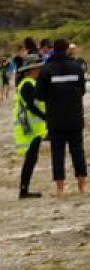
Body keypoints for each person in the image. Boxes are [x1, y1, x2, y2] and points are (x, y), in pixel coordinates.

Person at [34, 38, 86, 196]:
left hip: (55, 117)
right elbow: (82, 90)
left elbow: (39, 95)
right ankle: (82, 186)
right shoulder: (77, 67)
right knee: (77, 150)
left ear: (53, 49)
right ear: (67, 49)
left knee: (57, 152)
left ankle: (60, 188)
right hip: (75, 116)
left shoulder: (46, 69)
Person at [12, 61, 47, 199]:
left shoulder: (28, 83)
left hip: (32, 128)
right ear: (30, 70)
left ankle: (24, 189)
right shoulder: (28, 84)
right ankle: (24, 190)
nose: (39, 70)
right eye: (37, 68)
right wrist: (46, 117)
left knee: (31, 159)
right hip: (29, 128)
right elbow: (31, 106)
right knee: (30, 160)